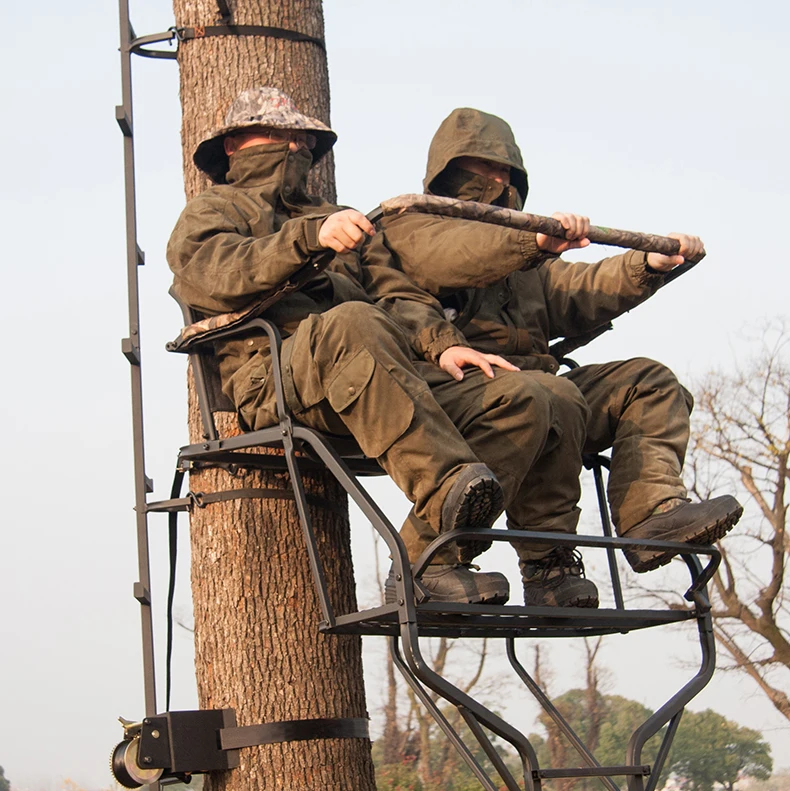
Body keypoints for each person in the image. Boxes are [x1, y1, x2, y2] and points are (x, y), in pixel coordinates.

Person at [167, 87, 543, 606]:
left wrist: (441, 346)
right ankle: (448, 488)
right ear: (232, 146)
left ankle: (427, 562)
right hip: (275, 377)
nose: (291, 145)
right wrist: (308, 238)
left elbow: (394, 292)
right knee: (353, 320)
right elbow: (211, 273)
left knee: (519, 396)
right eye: (275, 133)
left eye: (299, 136)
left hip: (375, 374)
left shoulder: (343, 217)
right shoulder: (212, 211)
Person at [379, 107, 742, 592]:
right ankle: (432, 559)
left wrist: (647, 264)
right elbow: (454, 255)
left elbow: (579, 287)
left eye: (507, 170)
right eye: (483, 168)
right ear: (447, 173)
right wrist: (531, 239)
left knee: (647, 382)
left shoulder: (527, 255)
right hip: (456, 391)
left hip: (539, 388)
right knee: (539, 397)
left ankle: (650, 517)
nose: (498, 178)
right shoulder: (414, 225)